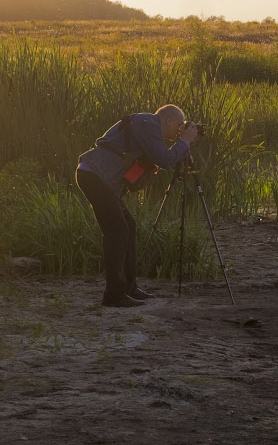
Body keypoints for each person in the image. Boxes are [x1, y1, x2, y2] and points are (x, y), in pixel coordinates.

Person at [76, 104, 200, 307]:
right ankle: (114, 295)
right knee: (117, 231)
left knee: (128, 227)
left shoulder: (147, 126)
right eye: (179, 125)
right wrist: (184, 142)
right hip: (95, 175)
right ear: (167, 120)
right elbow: (165, 159)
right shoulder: (148, 124)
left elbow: (158, 159)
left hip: (101, 178)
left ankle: (128, 288)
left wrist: (183, 144)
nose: (180, 130)